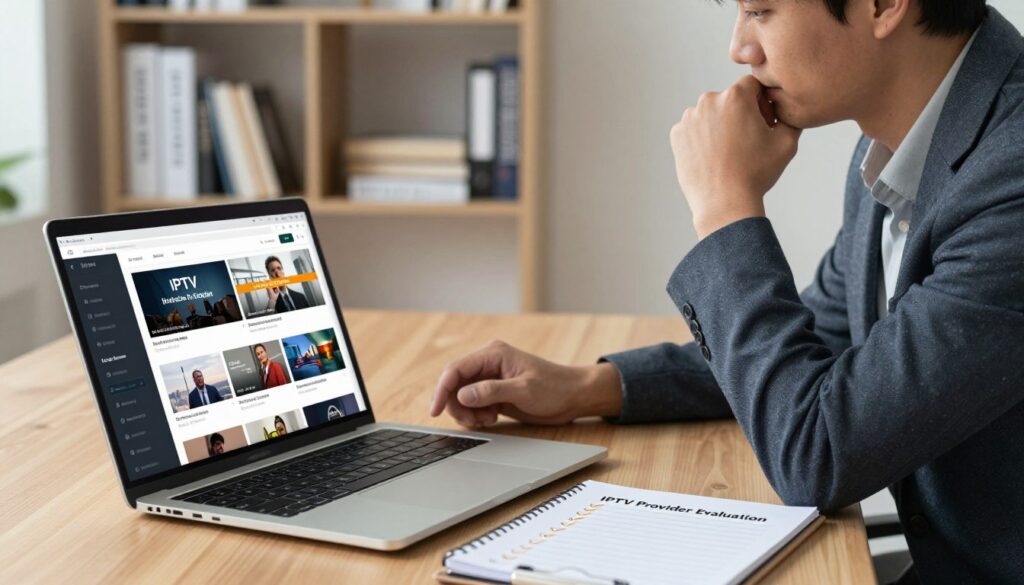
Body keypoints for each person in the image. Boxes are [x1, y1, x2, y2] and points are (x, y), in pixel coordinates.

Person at [429, 2, 1024, 583]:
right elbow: (827, 339)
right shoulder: (902, 143)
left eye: (760, 11)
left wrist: (724, 207)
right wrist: (590, 387)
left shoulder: (1011, 175)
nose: (739, 48)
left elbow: (817, 454)